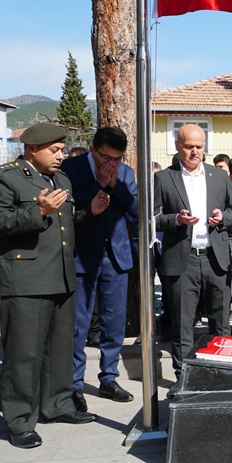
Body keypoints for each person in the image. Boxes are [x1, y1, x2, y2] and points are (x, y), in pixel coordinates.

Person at [0, 123, 106, 448]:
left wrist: (89, 214)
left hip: (61, 275)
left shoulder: (61, 180)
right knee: (23, 354)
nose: (61, 155)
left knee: (59, 349)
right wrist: (37, 210)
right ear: (33, 148)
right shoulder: (3, 177)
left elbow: (65, 224)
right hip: (26, 280)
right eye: (55, 150)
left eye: (63, 149)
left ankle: (58, 404)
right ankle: (20, 420)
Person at [154, 124, 232, 396]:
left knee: (220, 322)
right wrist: (176, 219)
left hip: (215, 259)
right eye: (189, 146)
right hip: (183, 261)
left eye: (199, 146)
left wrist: (222, 218)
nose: (195, 151)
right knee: (182, 324)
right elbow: (152, 218)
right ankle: (182, 378)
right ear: (178, 146)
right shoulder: (164, 178)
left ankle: (221, 372)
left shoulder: (218, 176)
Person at [60, 126, 138, 413]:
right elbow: (69, 208)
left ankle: (109, 379)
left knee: (114, 323)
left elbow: (136, 210)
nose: (112, 164)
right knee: (78, 326)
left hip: (116, 257)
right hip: (83, 256)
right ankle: (74, 386)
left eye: (118, 158)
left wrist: (114, 185)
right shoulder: (71, 168)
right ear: (93, 150)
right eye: (107, 158)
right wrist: (98, 186)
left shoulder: (126, 173)